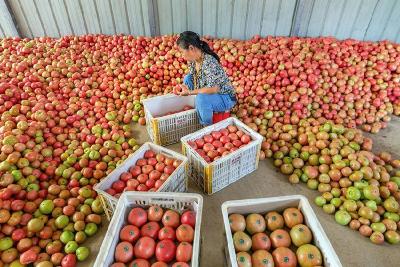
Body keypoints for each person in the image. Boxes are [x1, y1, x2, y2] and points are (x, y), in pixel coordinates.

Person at [175, 31, 237, 126]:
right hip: (209, 92)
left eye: (182, 52)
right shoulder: (193, 60)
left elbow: (214, 89)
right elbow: (193, 79)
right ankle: (201, 107)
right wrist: (182, 87)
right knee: (187, 78)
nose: (182, 55)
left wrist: (189, 92)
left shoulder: (209, 62)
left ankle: (207, 127)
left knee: (202, 98)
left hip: (225, 97)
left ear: (191, 48)